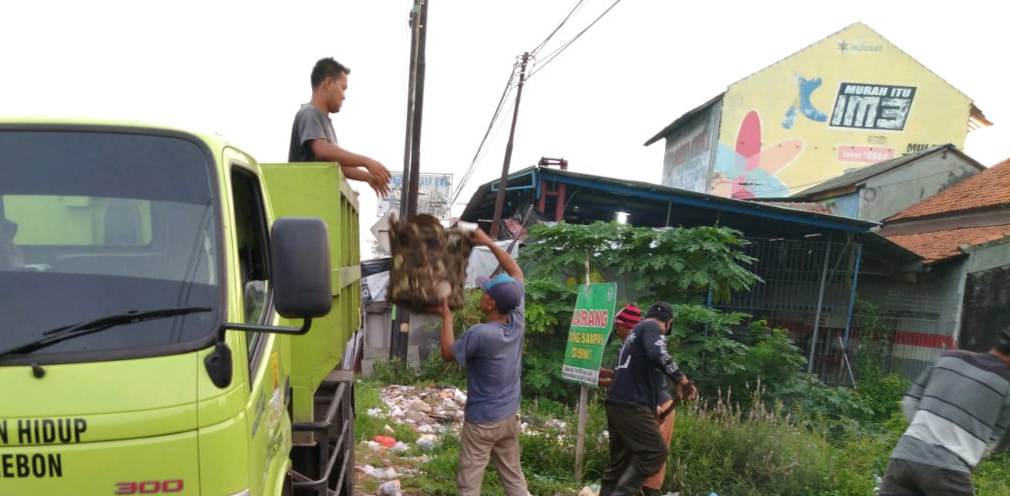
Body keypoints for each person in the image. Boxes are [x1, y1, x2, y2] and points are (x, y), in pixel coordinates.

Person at [437, 227, 529, 496]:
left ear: (490, 304)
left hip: (482, 423)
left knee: (469, 483)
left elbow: (447, 353)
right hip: (508, 416)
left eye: (485, 293)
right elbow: (517, 274)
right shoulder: (516, 319)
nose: (481, 294)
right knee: (513, 477)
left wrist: (446, 317)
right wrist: (488, 242)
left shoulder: (481, 334)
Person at [878, 329, 1010, 496]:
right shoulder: (1006, 383)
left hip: (903, 458)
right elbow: (995, 439)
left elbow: (909, 401)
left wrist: (926, 431)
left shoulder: (949, 357)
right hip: (950, 469)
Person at [599, 304, 697, 496]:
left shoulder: (633, 338)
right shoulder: (652, 327)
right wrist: (682, 379)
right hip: (632, 405)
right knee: (655, 452)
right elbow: (658, 353)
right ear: (669, 324)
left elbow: (645, 379)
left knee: (619, 465)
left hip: (617, 404)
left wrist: (654, 410)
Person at [288, 57, 391, 197]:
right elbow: (322, 150)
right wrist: (366, 162)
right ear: (329, 83)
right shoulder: (309, 114)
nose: (344, 96)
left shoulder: (324, 122)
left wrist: (368, 177)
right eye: (343, 88)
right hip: (305, 200)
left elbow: (337, 165)